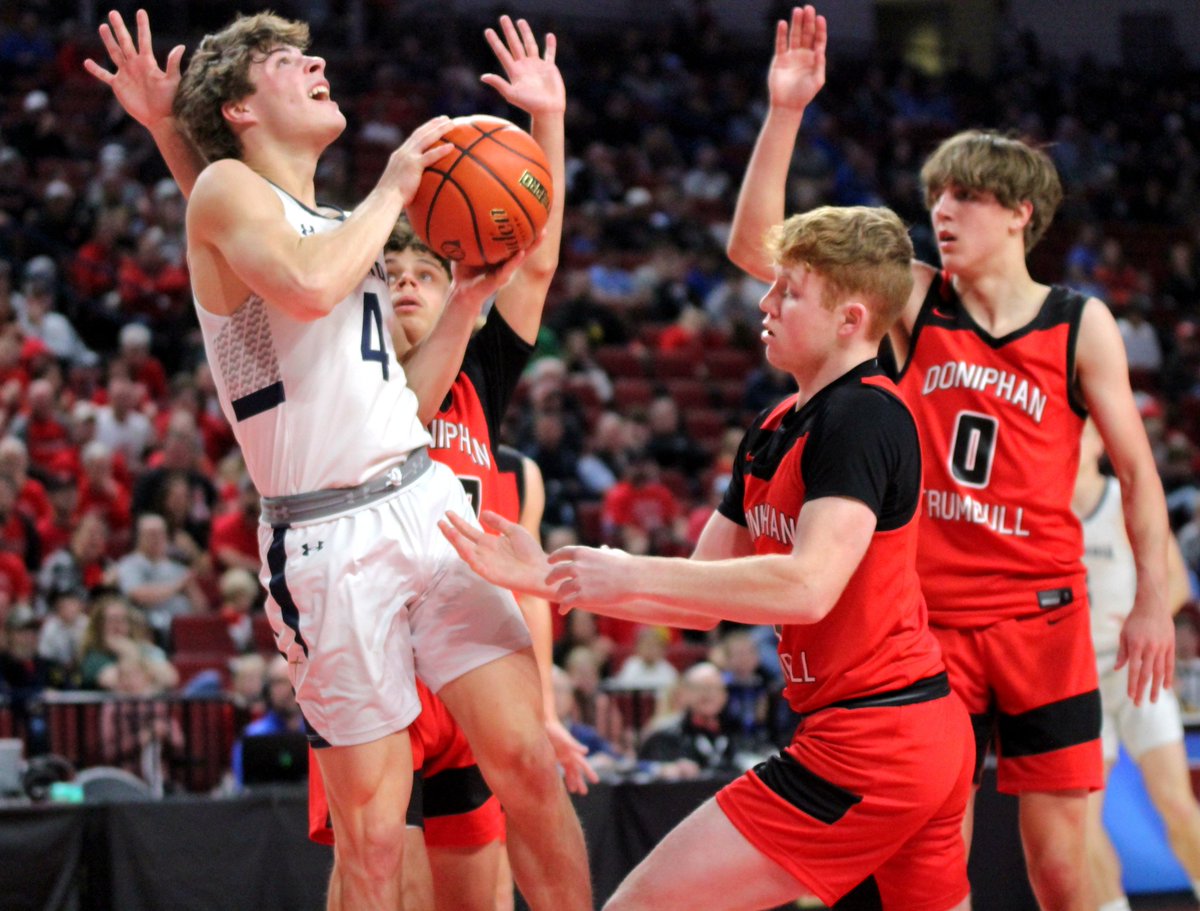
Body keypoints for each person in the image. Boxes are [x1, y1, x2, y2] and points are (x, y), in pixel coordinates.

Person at [85, 10, 589, 910]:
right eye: (288, 60)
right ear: (241, 108)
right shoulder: (241, 201)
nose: (317, 61)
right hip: (326, 541)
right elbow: (307, 284)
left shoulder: (320, 218)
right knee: (370, 845)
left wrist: (467, 300)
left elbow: (411, 389)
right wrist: (393, 186)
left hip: (423, 500)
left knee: (529, 768)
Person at [724, 8, 1175, 909]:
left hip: (1045, 617)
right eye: (937, 196)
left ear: (1021, 214)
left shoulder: (1080, 323)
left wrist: (1154, 601)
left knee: (1062, 862)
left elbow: (1139, 474)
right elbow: (754, 250)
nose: (941, 211)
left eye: (964, 197)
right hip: (927, 629)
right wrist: (785, 113)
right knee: (932, 862)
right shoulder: (915, 301)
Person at [443, 205, 974, 911]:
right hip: (906, 732)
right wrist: (550, 575)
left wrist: (624, 569)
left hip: (875, 740)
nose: (765, 300)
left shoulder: (865, 415)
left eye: (789, 291)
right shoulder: (775, 426)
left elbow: (808, 586)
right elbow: (698, 601)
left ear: (850, 320)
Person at [1073, 419, 1200, 911]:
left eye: (1080, 430)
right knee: (1081, 822)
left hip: (1135, 670)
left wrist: (1140, 617)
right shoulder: (1035, 509)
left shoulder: (1125, 501)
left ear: (1100, 440)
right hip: (1074, 680)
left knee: (1174, 799)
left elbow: (1178, 585)